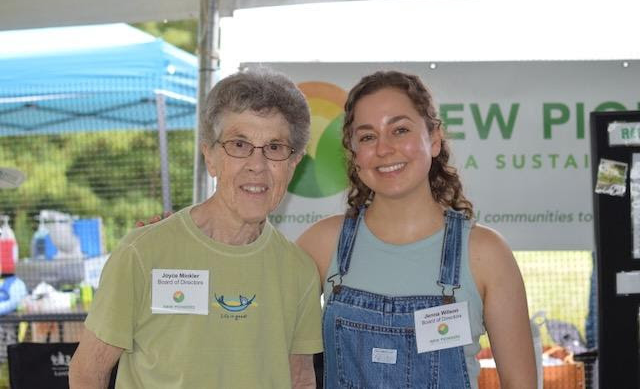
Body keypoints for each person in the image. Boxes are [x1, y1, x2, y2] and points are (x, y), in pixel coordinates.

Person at [69, 70, 323, 388]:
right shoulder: (144, 253)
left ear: (293, 164)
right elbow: (87, 372)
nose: (257, 165)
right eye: (239, 144)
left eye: (274, 147)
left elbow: (300, 378)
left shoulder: (298, 270)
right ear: (210, 157)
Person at [297, 70, 536, 388]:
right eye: (368, 136)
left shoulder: (485, 254)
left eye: (400, 130)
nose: (384, 149)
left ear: (434, 139)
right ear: (354, 155)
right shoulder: (321, 245)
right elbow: (283, 364)